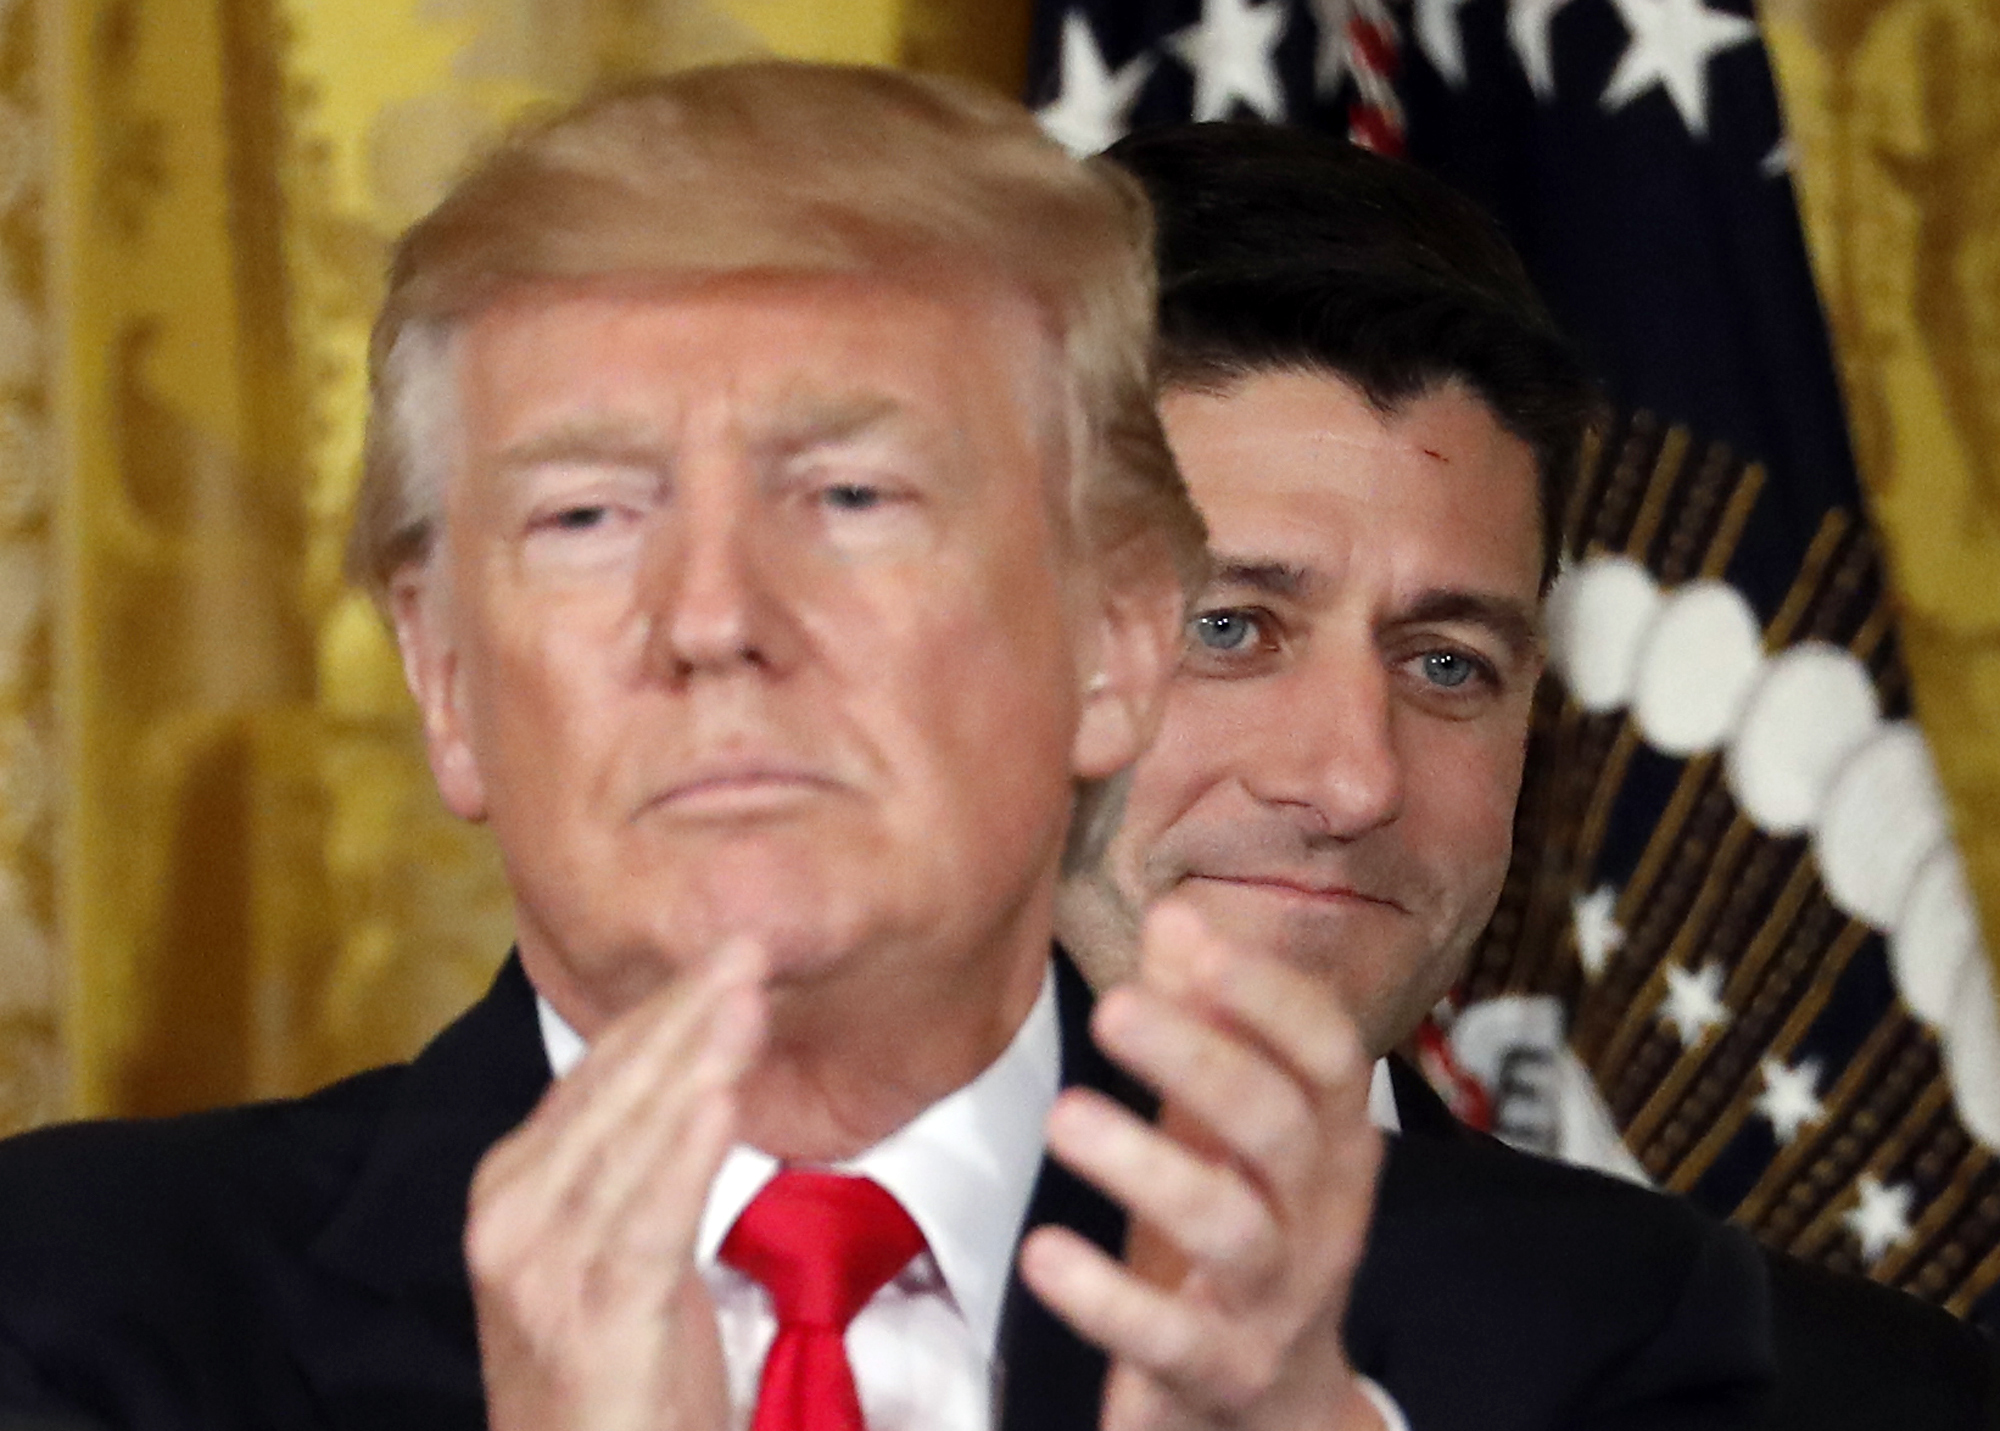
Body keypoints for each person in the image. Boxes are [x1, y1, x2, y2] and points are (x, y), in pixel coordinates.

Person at [0, 66, 1763, 1431]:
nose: (711, 614)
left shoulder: (1610, 1345)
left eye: (850, 497)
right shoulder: (65, 1308)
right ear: (449, 679)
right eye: (591, 514)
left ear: (1113, 642)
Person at [1071, 119, 1998, 1431]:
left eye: (1446, 664)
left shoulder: (1852, 1403)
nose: (1353, 782)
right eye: (1229, 629)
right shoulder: (738, 1302)